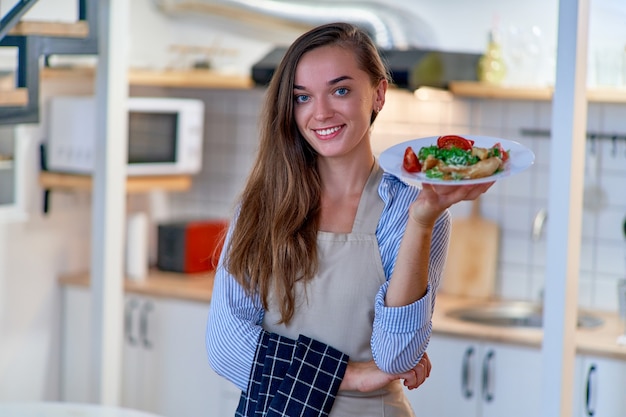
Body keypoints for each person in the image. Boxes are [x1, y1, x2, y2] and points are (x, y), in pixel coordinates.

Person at [206, 22, 493, 417]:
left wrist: (422, 221)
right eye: (302, 97)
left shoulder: (406, 209)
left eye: (340, 90)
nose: (320, 112)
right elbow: (225, 347)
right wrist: (352, 375)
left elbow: (395, 355)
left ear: (378, 94)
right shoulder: (261, 207)